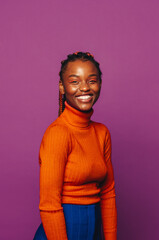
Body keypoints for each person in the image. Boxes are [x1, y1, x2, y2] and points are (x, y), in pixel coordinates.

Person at [34, 52, 117, 240]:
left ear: (100, 84)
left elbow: (108, 193)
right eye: (75, 81)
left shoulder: (102, 132)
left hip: (94, 230)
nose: (85, 88)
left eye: (92, 80)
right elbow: (49, 204)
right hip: (62, 232)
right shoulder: (58, 133)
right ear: (62, 87)